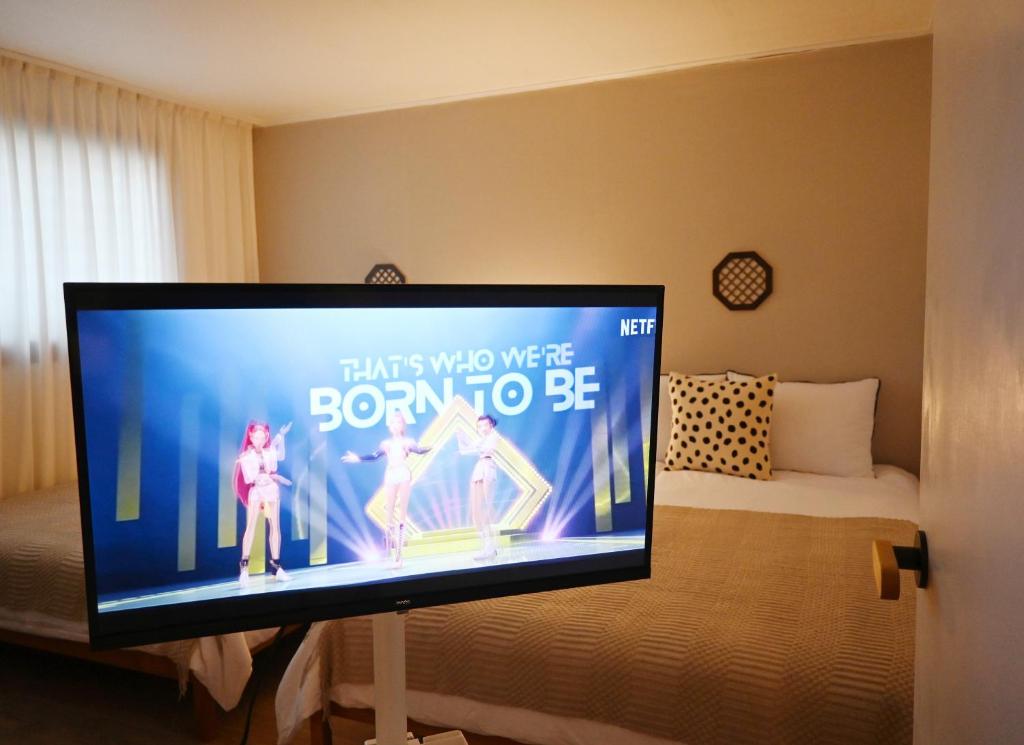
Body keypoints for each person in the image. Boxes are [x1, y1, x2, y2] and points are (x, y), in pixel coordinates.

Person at [342, 411, 430, 569]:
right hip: (390, 474)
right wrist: (358, 458)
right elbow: (375, 456)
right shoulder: (386, 443)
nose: (396, 425)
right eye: (393, 422)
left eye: (399, 422)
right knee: (389, 513)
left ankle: (399, 557)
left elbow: (419, 450)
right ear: (390, 426)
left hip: (403, 473)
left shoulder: (408, 441)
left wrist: (428, 448)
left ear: (403, 425)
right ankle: (391, 554)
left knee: (401, 512)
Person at [234, 420, 293, 587]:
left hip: (271, 490)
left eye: (262, 437)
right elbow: (251, 478)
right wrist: (275, 477)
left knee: (275, 526)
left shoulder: (269, 451)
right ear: (251, 437)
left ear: (266, 436)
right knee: (251, 526)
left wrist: (281, 437)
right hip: (257, 491)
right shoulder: (246, 456)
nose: (259, 440)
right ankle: (244, 568)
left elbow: (280, 455)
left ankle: (276, 566)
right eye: (256, 437)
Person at [457, 414, 500, 560]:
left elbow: (485, 448)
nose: (482, 428)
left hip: (487, 467)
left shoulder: (493, 436)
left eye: (485, 425)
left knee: (484, 508)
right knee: (475, 510)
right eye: (479, 426)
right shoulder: (480, 439)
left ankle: (491, 547)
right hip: (479, 468)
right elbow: (465, 450)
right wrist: (461, 437)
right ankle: (487, 546)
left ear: (491, 425)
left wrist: (471, 443)